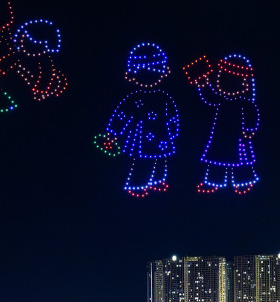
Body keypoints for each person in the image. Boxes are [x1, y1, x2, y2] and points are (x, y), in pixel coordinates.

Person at [100, 44, 180, 197]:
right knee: (143, 161)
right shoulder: (135, 98)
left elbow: (172, 116)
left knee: (159, 160)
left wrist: (174, 132)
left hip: (162, 136)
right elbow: (122, 116)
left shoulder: (164, 97)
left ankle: (157, 181)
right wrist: (113, 134)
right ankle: (137, 184)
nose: (149, 77)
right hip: (142, 137)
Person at [188, 53, 259, 194]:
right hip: (221, 135)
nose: (223, 83)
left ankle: (242, 183)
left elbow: (252, 115)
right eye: (222, 78)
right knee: (217, 158)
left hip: (239, 137)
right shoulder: (222, 99)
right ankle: (214, 182)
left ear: (244, 83)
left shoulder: (245, 103)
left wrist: (249, 130)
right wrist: (203, 85)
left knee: (241, 162)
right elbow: (210, 97)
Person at [0, 19, 67, 101]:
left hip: (28, 91)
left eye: (35, 43)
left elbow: (46, 75)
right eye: (27, 39)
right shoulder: (17, 54)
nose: (30, 45)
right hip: (11, 85)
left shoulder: (44, 62)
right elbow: (7, 62)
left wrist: (39, 91)